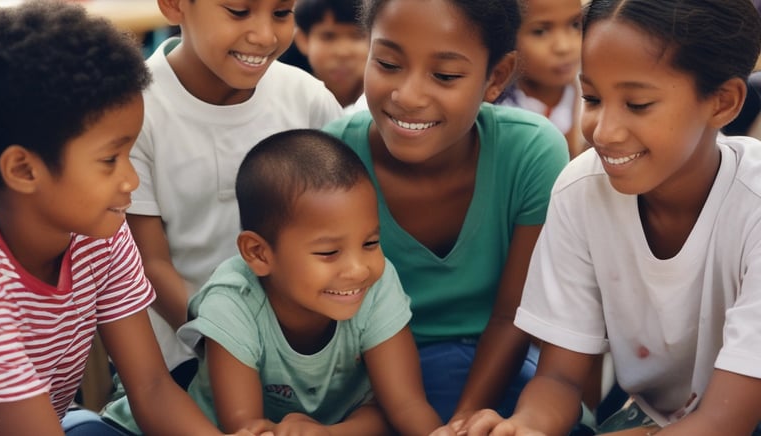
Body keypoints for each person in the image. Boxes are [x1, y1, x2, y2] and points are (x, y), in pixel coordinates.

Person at [437, 0, 761, 434]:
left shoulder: (753, 204)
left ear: (723, 102)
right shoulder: (582, 190)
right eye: (591, 97)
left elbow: (729, 419)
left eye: (638, 103)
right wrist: (527, 427)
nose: (603, 132)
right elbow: (560, 377)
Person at [0, 2, 247, 435]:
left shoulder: (98, 233)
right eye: (110, 159)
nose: (131, 180)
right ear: (23, 170)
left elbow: (150, 387)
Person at [323, 0, 570, 425]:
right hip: (367, 386)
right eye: (387, 63)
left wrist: (464, 421)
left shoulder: (530, 152)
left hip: (493, 378)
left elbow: (513, 316)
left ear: (495, 78)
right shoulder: (330, 159)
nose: (409, 95)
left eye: (445, 76)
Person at [101, 0, 344, 425]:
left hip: (306, 365)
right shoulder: (135, 109)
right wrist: (229, 345)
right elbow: (149, 264)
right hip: (183, 361)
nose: (265, 35)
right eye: (238, 11)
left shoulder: (306, 99)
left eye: (282, 13)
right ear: (175, 6)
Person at [177, 129, 443, 435]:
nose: (358, 269)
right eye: (329, 252)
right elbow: (246, 427)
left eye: (370, 243)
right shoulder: (233, 303)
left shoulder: (377, 286)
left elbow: (404, 407)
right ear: (259, 253)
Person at [493, 0, 586, 159]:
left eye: (575, 25)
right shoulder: (496, 115)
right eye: (540, 31)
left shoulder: (597, 99)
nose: (564, 47)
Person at [292, 0, 370, 111]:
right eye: (328, 36)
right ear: (303, 40)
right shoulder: (288, 99)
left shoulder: (386, 100)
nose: (343, 52)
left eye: (357, 36)